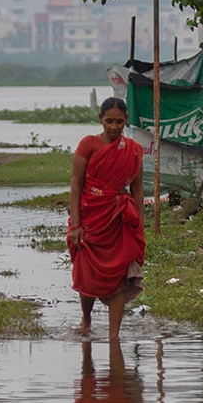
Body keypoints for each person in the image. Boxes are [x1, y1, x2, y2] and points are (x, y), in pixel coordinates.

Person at [69, 98, 146, 343]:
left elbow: (138, 190)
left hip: (118, 220)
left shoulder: (132, 149)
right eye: (109, 121)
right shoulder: (88, 144)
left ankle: (114, 337)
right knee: (86, 275)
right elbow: (76, 185)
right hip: (91, 218)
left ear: (126, 121)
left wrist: (139, 225)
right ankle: (86, 319)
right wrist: (76, 225)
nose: (114, 126)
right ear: (100, 119)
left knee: (119, 276)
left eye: (119, 121)